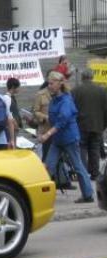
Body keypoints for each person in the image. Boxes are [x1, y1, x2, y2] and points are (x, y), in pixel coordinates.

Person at [39, 71, 94, 203]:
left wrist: (47, 134)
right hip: (58, 139)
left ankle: (88, 195)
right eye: (48, 83)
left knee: (78, 166)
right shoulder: (54, 100)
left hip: (69, 138)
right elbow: (52, 119)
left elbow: (62, 121)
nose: (49, 86)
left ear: (59, 84)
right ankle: (40, 196)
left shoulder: (66, 100)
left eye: (51, 83)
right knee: (48, 166)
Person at [72, 69, 107, 180]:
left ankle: (82, 173)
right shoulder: (102, 91)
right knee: (95, 149)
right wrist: (103, 125)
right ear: (92, 77)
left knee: (82, 148)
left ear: (82, 77)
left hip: (80, 125)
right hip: (98, 125)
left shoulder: (75, 91)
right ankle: (95, 173)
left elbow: (71, 109)